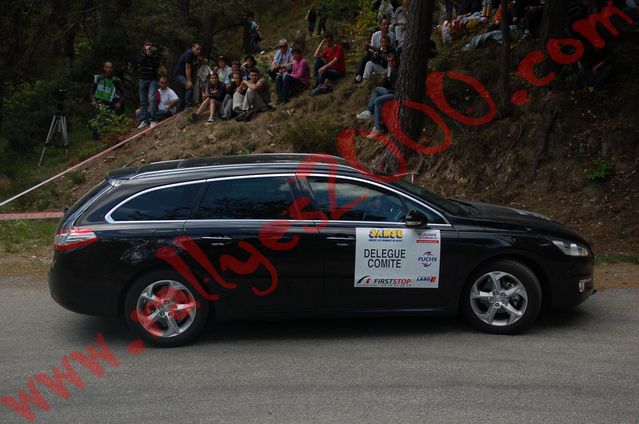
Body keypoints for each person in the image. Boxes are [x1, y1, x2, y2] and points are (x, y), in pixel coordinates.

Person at [356, 51, 399, 121]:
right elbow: (390, 86)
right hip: (391, 91)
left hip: (396, 94)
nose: (391, 63)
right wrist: (384, 81)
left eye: (392, 61)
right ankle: (368, 111)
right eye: (389, 61)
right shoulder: (393, 70)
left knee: (378, 100)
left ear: (397, 60)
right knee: (376, 89)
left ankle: (378, 126)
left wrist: (388, 88)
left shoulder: (400, 70)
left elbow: (396, 87)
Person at [91, 61, 125, 140]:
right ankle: (95, 141)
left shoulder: (115, 80)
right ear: (104, 68)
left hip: (110, 104)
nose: (109, 69)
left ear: (112, 69)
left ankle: (108, 140)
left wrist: (119, 102)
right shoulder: (98, 78)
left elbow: (123, 92)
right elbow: (91, 90)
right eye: (107, 67)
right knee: (96, 122)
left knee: (109, 123)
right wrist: (92, 100)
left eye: (110, 67)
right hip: (99, 102)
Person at [354, 18, 396, 83]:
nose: (386, 26)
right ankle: (363, 79)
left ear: (389, 42)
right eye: (384, 24)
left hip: (387, 65)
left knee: (389, 62)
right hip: (378, 59)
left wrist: (371, 48)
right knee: (368, 61)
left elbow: (388, 56)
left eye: (387, 24)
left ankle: (389, 78)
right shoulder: (375, 35)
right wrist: (367, 49)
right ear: (380, 25)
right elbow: (375, 50)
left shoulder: (392, 36)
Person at [136, 40, 160, 129]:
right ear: (144, 46)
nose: (149, 47)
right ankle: (144, 120)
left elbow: (156, 65)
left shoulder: (155, 55)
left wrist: (150, 56)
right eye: (147, 45)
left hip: (152, 79)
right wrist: (146, 55)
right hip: (143, 79)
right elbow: (141, 62)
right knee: (143, 101)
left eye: (151, 45)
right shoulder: (141, 55)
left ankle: (154, 119)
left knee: (152, 98)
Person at [173, 42, 202, 109]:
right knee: (189, 86)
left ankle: (179, 110)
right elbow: (188, 68)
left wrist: (203, 60)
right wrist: (189, 80)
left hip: (184, 75)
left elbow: (198, 60)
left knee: (183, 95)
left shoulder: (195, 55)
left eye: (200, 49)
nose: (198, 51)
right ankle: (189, 106)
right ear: (193, 48)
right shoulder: (189, 53)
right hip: (179, 74)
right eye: (197, 49)